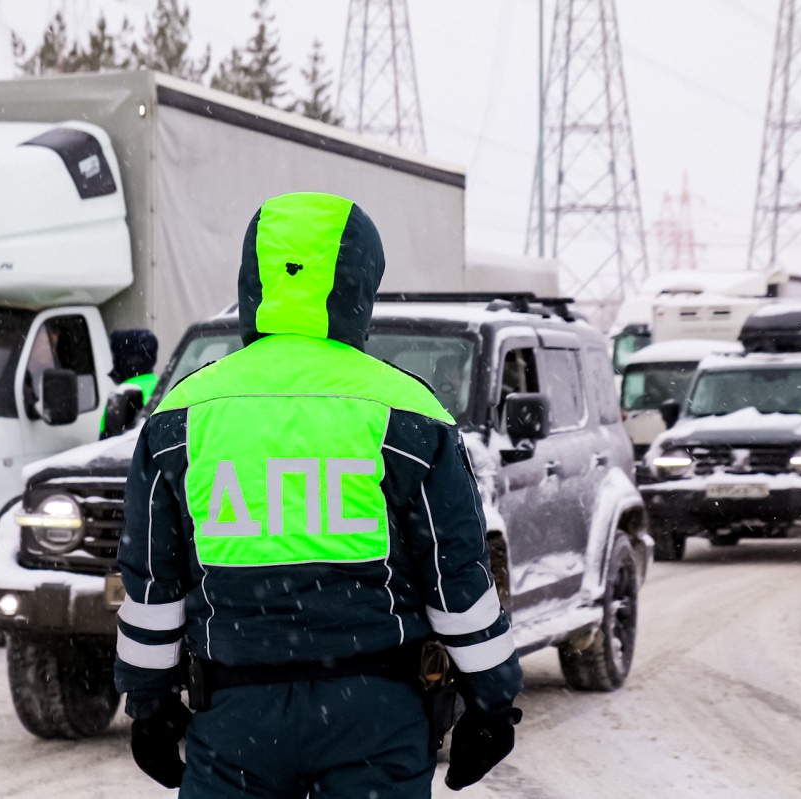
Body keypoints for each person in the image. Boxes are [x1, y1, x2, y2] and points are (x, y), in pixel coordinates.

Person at [114, 192, 523, 797]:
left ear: (254, 281)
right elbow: (456, 577)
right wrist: (491, 702)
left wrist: (149, 706)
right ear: (360, 284)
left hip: (233, 717)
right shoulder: (411, 414)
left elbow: (153, 585)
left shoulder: (180, 417)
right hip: (376, 714)